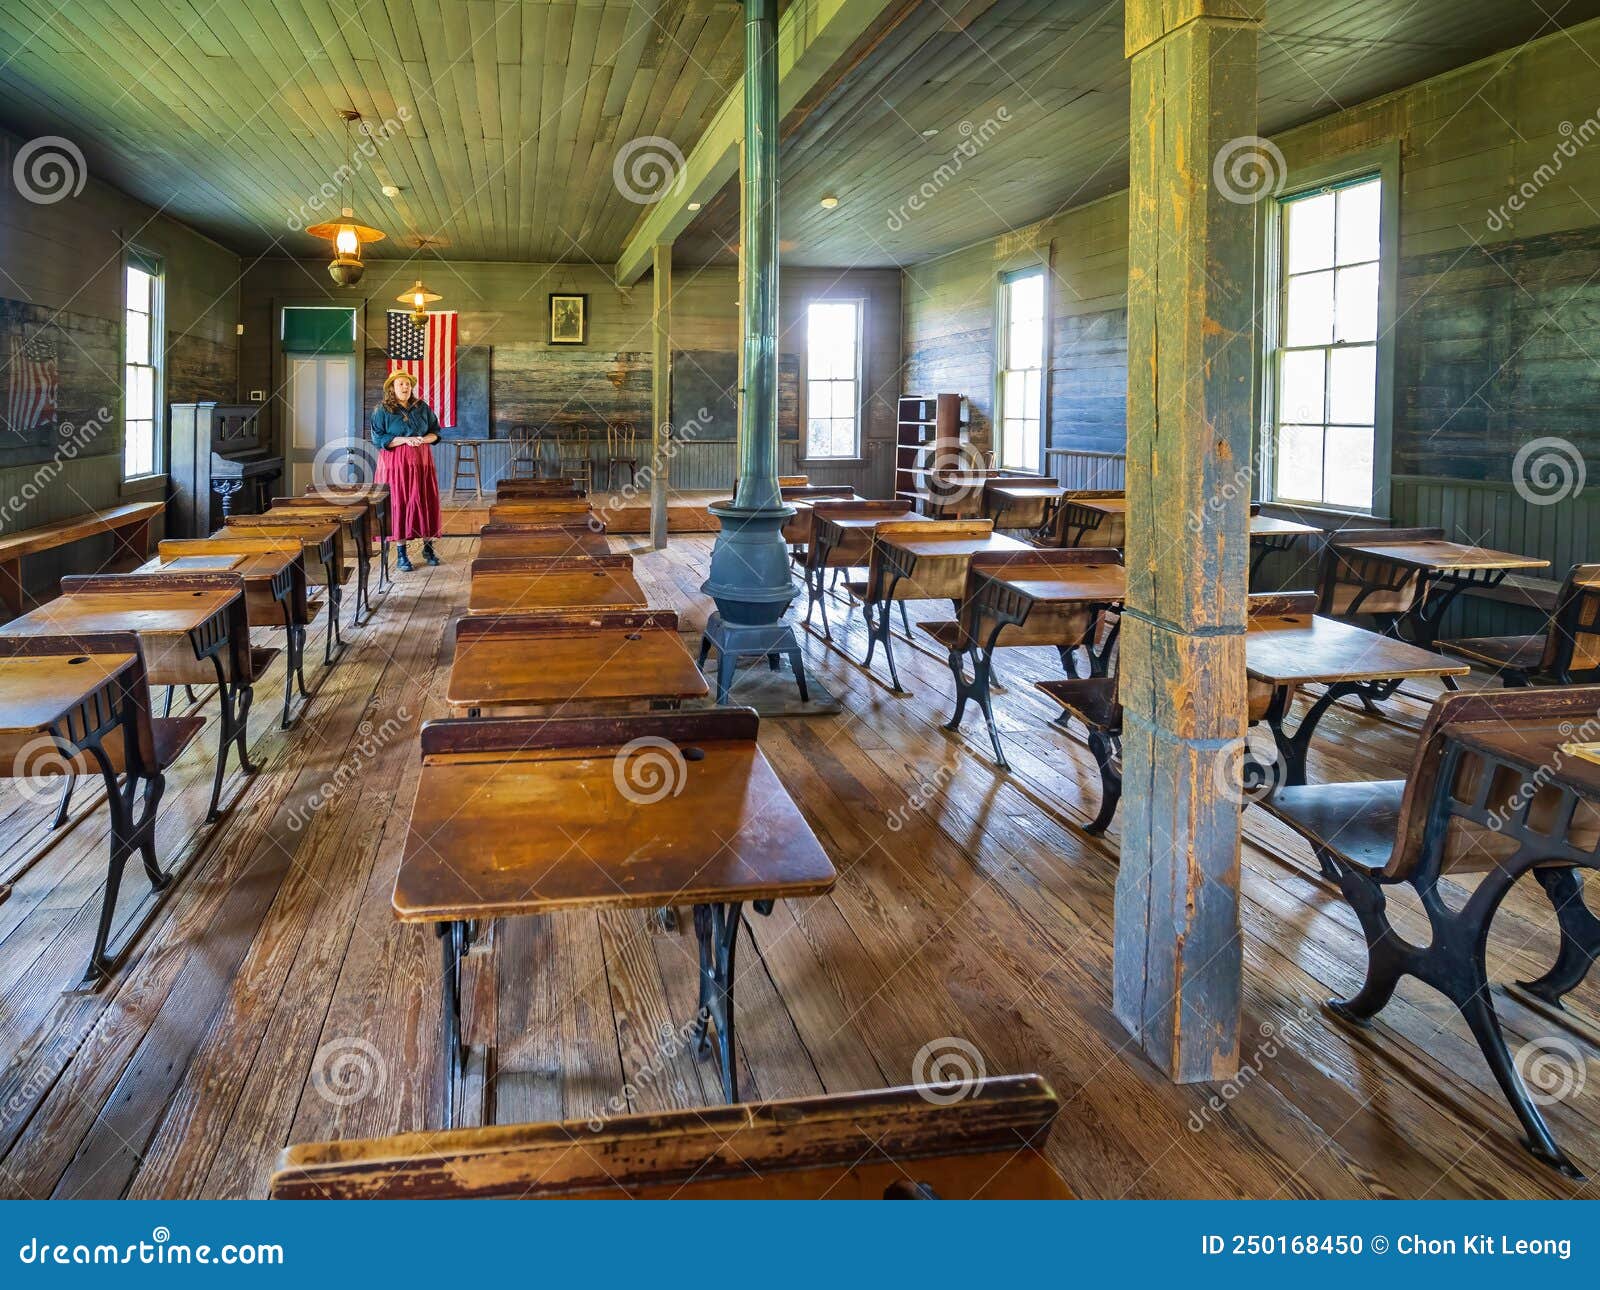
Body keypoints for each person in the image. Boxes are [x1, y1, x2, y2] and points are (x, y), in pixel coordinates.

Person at [370, 370, 443, 570]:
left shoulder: (421, 407)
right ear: (392, 387)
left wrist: (422, 439)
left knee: (424, 498)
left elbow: (435, 432)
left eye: (408, 384)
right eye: (401, 384)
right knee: (399, 502)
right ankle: (401, 552)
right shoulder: (382, 410)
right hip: (395, 464)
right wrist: (405, 440)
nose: (405, 387)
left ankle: (428, 547)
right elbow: (378, 439)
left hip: (421, 460)